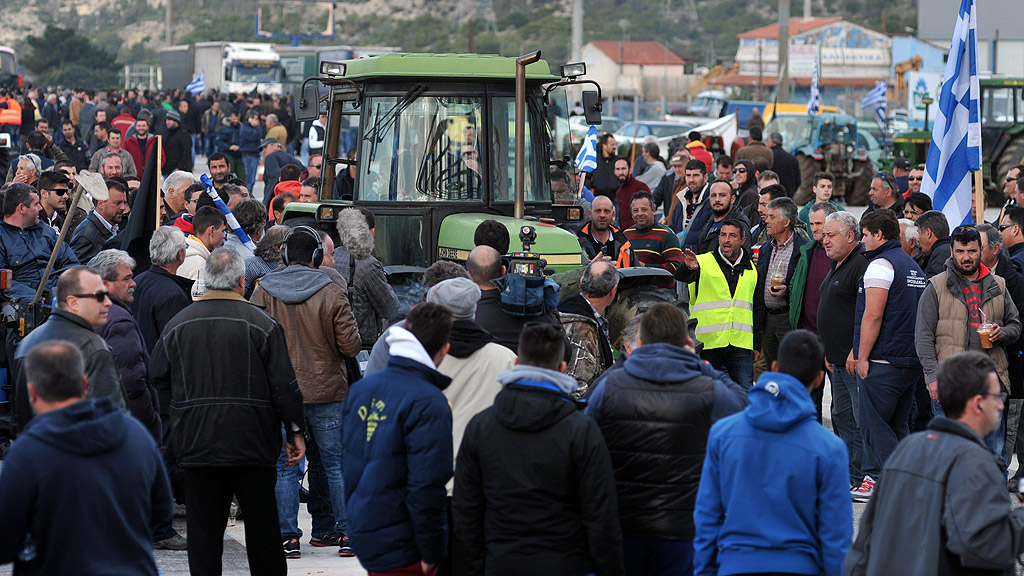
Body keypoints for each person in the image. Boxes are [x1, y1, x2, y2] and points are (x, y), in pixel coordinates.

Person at [150, 248, 306, 576]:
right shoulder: (263, 324)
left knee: (204, 535)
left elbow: (157, 373)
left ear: (207, 281)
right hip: (253, 443)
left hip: (198, 442)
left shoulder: (180, 324)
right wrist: (294, 431)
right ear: (240, 281)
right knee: (263, 532)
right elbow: (284, 387)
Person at [586, 303, 747, 575]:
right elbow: (744, 408)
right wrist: (702, 365)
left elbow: (586, 450)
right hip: (685, 530)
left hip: (624, 525)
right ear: (686, 341)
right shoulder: (709, 389)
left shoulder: (608, 386)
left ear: (638, 341)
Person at [454, 322, 624, 576]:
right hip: (566, 563)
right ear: (563, 368)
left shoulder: (481, 426)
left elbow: (466, 510)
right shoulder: (580, 429)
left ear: (516, 364)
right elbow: (600, 512)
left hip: (501, 562)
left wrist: (474, 567)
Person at [0, 341, 174, 575]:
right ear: (84, 384)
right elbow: (161, 513)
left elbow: (6, 542)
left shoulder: (27, 454)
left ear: (32, 392)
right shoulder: (136, 435)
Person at [846, 352, 1024, 575]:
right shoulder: (975, 463)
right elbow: (987, 547)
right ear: (978, 403)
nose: (1000, 406)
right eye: (997, 397)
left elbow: (864, 542)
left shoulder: (907, 449)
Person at [694, 330, 852, 576]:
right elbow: (835, 536)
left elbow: (707, 516)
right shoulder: (829, 449)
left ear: (775, 367)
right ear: (820, 378)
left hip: (735, 565)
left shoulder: (722, 434)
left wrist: (705, 570)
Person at [250, 226, 362, 559]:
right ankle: (345, 534)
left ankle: (287, 537)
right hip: (328, 390)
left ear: (283, 254)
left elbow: (254, 341)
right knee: (335, 464)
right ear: (316, 256)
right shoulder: (332, 291)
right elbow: (351, 345)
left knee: (286, 466)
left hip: (281, 394)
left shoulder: (264, 290)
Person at [342, 303, 454, 575]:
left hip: (367, 530)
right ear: (444, 350)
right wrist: (432, 550)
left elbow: (349, 464)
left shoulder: (361, 390)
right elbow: (426, 485)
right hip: (405, 543)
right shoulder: (428, 401)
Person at [916, 224, 1021, 465]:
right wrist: (932, 378)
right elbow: (923, 337)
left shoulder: (999, 284)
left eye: (972, 251)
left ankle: (992, 502)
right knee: (949, 456)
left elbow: (1016, 326)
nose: (966, 257)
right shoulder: (936, 286)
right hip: (949, 384)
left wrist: (1002, 332)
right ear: (951, 251)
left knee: (994, 455)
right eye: (961, 251)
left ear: (981, 250)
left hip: (989, 384)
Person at [852, 209, 927, 501]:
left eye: (866, 235)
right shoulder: (912, 266)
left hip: (883, 361)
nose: (863, 241)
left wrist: (862, 356)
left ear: (879, 235)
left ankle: (906, 484)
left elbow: (872, 315)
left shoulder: (880, 265)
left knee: (873, 426)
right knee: (897, 425)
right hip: (910, 360)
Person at [12, 264, 124, 430]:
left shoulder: (24, 345)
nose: (108, 303)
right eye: (100, 296)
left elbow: (20, 425)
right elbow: (111, 424)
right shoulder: (94, 348)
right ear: (73, 302)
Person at [818, 211, 876, 490]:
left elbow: (866, 312)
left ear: (850, 236)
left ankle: (863, 477)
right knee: (841, 417)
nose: (824, 241)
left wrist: (856, 350)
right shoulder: (838, 263)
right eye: (824, 235)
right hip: (836, 360)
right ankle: (849, 475)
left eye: (831, 235)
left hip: (854, 360)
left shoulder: (861, 264)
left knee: (858, 419)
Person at [676, 219, 757, 389]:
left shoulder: (751, 268)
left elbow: (756, 307)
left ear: (742, 241)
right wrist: (688, 268)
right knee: (706, 392)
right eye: (723, 235)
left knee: (744, 393)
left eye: (732, 236)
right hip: (708, 343)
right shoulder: (702, 262)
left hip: (740, 344)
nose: (726, 240)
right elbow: (683, 277)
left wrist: (757, 343)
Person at [753, 197, 807, 369]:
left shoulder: (803, 249)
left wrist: (788, 291)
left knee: (792, 369)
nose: (766, 221)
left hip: (788, 319)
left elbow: (806, 287)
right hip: (767, 320)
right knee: (772, 369)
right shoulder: (766, 248)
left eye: (772, 217)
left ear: (786, 222)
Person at [336, 207, 399, 346]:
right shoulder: (368, 264)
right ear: (371, 232)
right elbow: (391, 309)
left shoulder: (332, 256)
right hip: (361, 342)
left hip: (336, 338)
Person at [558, 259, 618, 395]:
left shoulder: (563, 310)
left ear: (581, 282)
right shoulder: (584, 330)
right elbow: (576, 388)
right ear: (613, 291)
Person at [624, 190, 683, 289]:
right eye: (635, 210)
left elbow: (677, 267)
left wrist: (646, 268)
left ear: (654, 210)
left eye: (644, 209)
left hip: (660, 297)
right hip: (631, 295)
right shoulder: (626, 235)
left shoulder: (667, 235)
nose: (640, 214)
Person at [69, 177, 129, 263]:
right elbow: (77, 270)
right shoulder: (86, 234)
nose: (123, 207)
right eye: (118, 203)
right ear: (101, 204)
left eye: (124, 202)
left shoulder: (116, 225)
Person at [176, 205, 228, 293]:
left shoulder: (186, 252)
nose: (224, 235)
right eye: (222, 231)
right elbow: (197, 303)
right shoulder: (199, 266)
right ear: (212, 230)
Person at [576, 195, 638, 267]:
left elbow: (636, 274)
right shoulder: (578, 242)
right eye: (598, 211)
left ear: (613, 214)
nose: (602, 215)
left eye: (607, 211)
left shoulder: (624, 243)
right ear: (590, 214)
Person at [613, 158, 650, 230]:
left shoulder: (641, 187)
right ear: (614, 171)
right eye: (618, 169)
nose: (620, 172)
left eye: (623, 168)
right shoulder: (618, 192)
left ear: (630, 170)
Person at [914, 210, 951, 279]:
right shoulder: (946, 249)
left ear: (928, 233)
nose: (918, 239)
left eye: (919, 233)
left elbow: (933, 286)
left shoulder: (942, 253)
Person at [585, 133, 619, 200]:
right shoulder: (595, 160)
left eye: (615, 144)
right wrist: (593, 183)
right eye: (612, 145)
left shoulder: (619, 161)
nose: (615, 147)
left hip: (616, 199)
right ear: (604, 146)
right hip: (598, 198)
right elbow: (585, 178)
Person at [767, 131, 801, 196]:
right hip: (788, 195)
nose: (766, 143)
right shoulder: (792, 158)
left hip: (772, 195)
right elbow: (798, 181)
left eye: (767, 141)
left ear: (772, 142)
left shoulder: (769, 156)